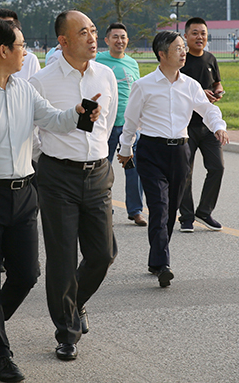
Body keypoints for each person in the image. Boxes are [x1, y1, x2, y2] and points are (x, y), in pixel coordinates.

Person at [0, 18, 99, 382]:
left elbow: (53, 120)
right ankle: (0, 354)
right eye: (22, 45)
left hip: (24, 193)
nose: (27, 51)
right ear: (3, 50)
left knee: (27, 274)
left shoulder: (24, 89)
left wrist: (78, 114)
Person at [29, 11, 118, 362]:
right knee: (63, 257)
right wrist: (46, 165)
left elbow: (107, 124)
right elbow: (32, 132)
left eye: (93, 30)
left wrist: (99, 158)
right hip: (57, 177)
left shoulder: (106, 75)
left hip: (98, 173)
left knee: (103, 253)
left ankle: (75, 302)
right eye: (83, 33)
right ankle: (67, 332)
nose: (93, 38)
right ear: (63, 41)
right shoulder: (42, 81)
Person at [117, 31, 228, 288]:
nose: (183, 52)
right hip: (150, 151)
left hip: (180, 152)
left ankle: (155, 260)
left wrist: (218, 127)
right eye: (178, 48)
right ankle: (164, 264)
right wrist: (126, 148)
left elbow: (208, 110)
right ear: (162, 54)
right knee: (159, 206)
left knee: (170, 211)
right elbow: (131, 121)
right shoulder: (143, 85)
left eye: (183, 47)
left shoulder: (190, 85)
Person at [178, 17, 226, 233]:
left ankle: (204, 212)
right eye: (195, 33)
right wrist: (198, 95)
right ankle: (186, 217)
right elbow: (175, 90)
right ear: (186, 36)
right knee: (185, 172)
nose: (200, 37)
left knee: (217, 167)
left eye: (203, 33)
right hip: (186, 125)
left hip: (207, 125)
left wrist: (218, 90)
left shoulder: (210, 59)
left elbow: (217, 82)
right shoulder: (181, 61)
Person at [95, 23, 145, 226]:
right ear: (107, 40)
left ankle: (135, 210)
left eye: (123, 37)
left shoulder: (132, 63)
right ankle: (104, 208)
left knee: (133, 168)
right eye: (115, 37)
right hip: (106, 125)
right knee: (103, 169)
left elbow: (138, 93)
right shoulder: (97, 60)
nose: (120, 40)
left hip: (129, 126)